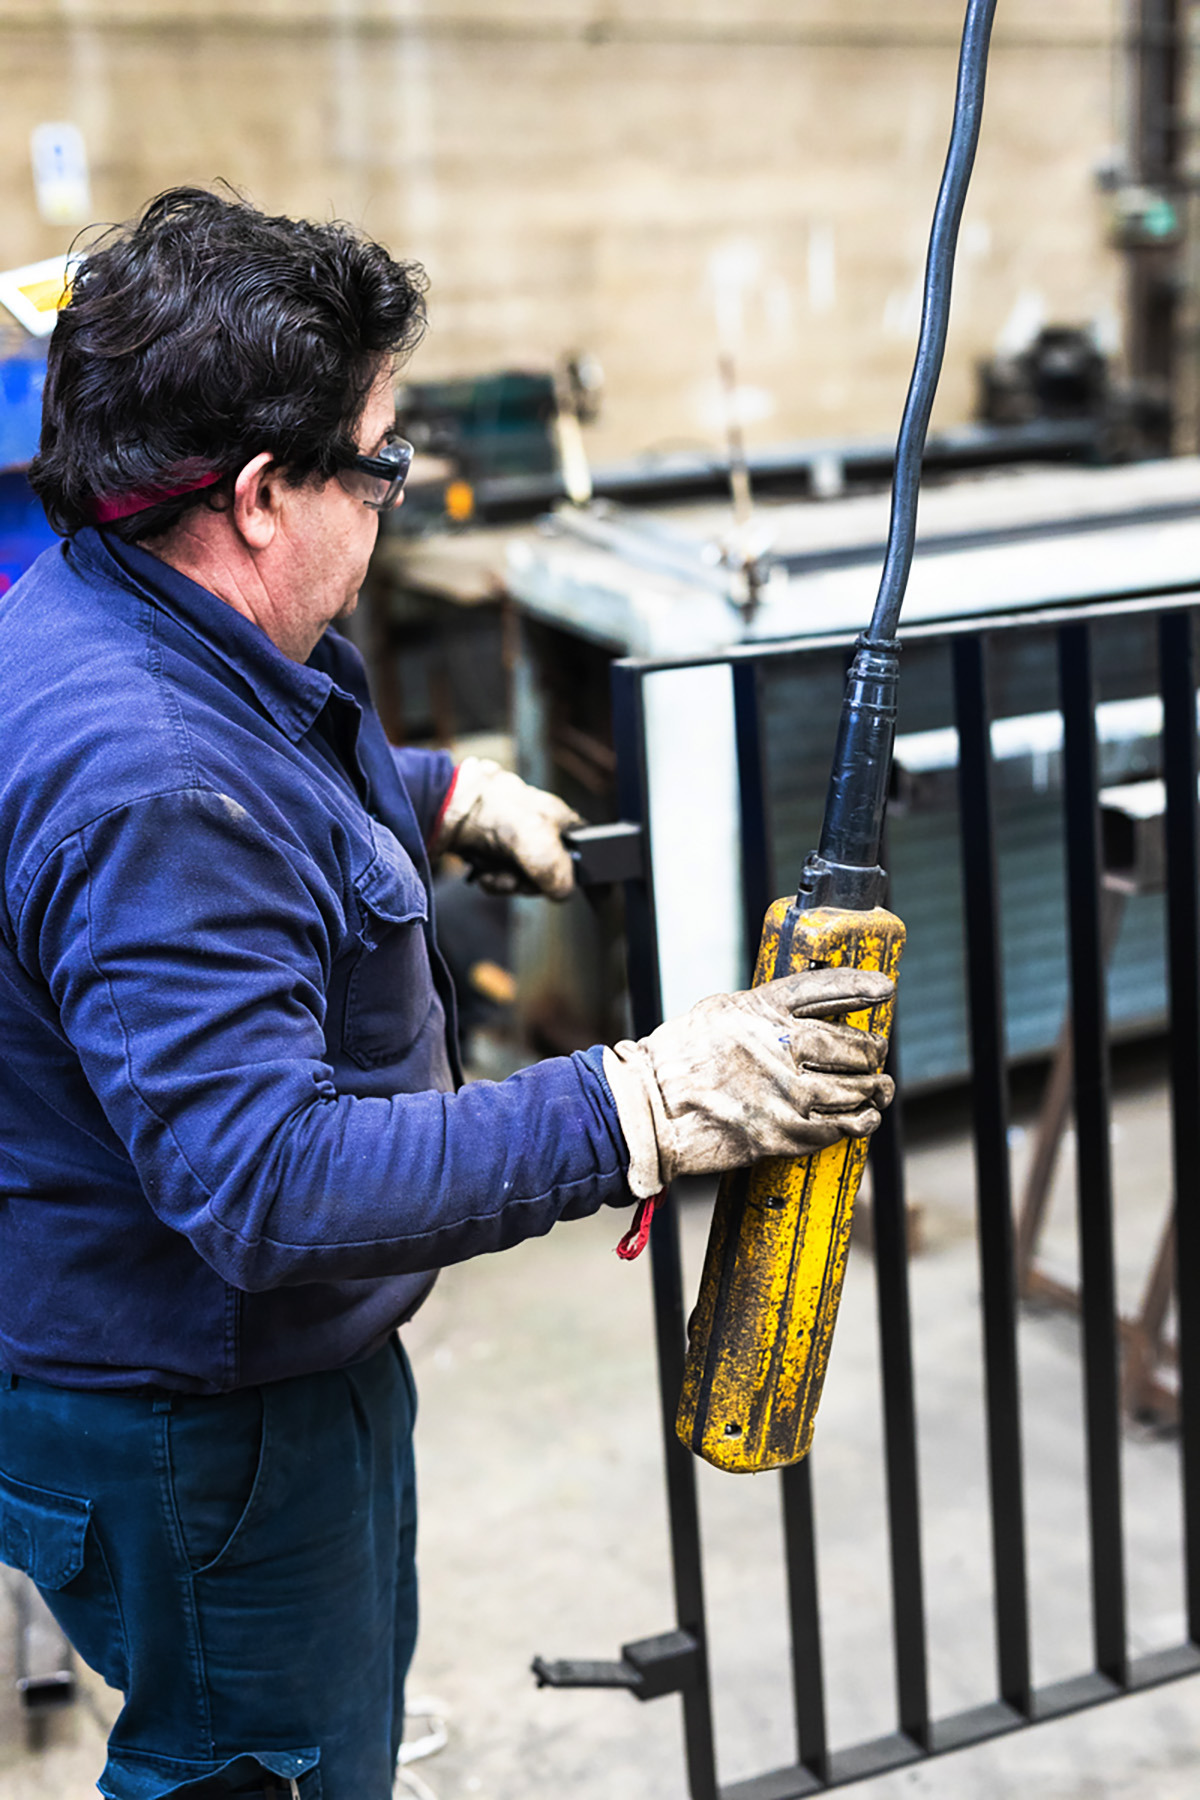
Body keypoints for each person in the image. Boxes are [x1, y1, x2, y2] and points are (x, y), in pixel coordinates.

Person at [0, 188, 894, 1800]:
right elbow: (269, 1184)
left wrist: (428, 793)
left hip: (247, 1376)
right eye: (382, 458)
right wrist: (635, 1104)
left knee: (313, 1727)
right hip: (200, 1414)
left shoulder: (119, 610)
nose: (398, 493)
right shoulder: (147, 774)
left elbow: (251, 786)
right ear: (264, 495)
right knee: (258, 1767)